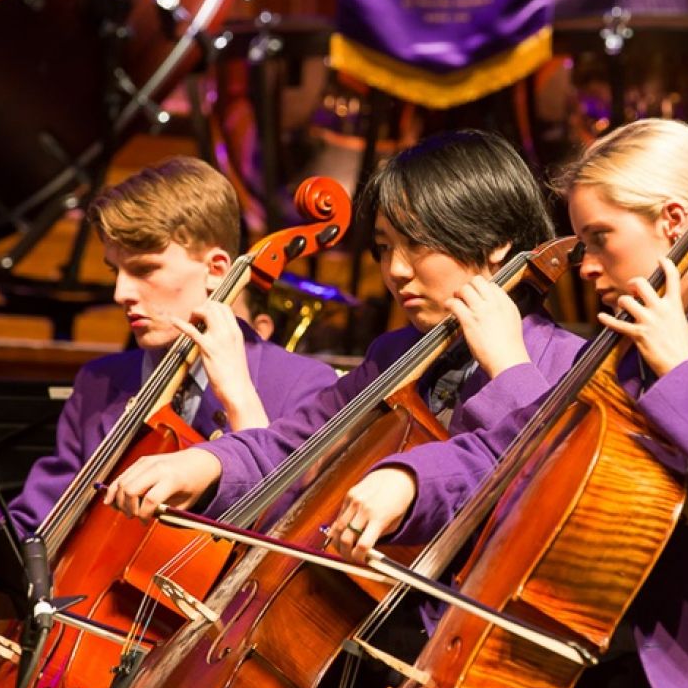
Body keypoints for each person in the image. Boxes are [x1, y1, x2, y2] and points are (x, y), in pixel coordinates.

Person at [324, 118, 688, 688]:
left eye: (599, 238)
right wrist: (407, 479)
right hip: (582, 685)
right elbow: (504, 457)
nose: (584, 264)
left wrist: (680, 368)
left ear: (673, 223)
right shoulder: (604, 364)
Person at [105, 129, 584, 526]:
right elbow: (293, 446)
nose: (395, 270)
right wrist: (208, 462)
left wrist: (508, 369)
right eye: (383, 247)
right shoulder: (393, 357)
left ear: (496, 242)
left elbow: (560, 488)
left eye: (416, 243)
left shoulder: (570, 362)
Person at [7, 156, 338, 536]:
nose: (121, 293)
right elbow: (36, 524)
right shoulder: (99, 382)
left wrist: (239, 399)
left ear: (216, 270)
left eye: (145, 270)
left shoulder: (305, 386)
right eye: (116, 271)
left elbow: (286, 537)